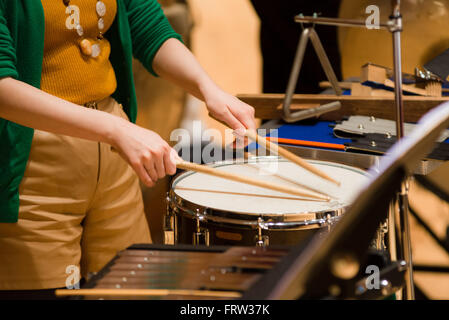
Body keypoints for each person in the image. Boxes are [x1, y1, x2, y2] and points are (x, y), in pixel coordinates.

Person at [0, 0, 255, 297]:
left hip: (112, 151)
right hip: (29, 162)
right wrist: (117, 130)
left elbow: (144, 21)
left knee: (132, 289)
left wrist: (208, 88)